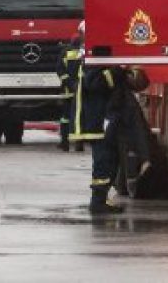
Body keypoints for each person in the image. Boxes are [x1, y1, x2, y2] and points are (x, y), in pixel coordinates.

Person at [70, 62, 130, 214]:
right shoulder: (92, 63)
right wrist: (118, 70)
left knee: (110, 159)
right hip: (95, 120)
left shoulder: (96, 62)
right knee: (104, 160)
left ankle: (101, 199)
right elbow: (95, 84)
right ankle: (97, 202)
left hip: (99, 119)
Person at [58, 22, 85, 152]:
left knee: (66, 117)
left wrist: (69, 84)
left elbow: (60, 71)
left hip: (69, 90)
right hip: (83, 90)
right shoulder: (85, 52)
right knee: (80, 116)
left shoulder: (65, 52)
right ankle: (79, 143)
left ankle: (64, 142)